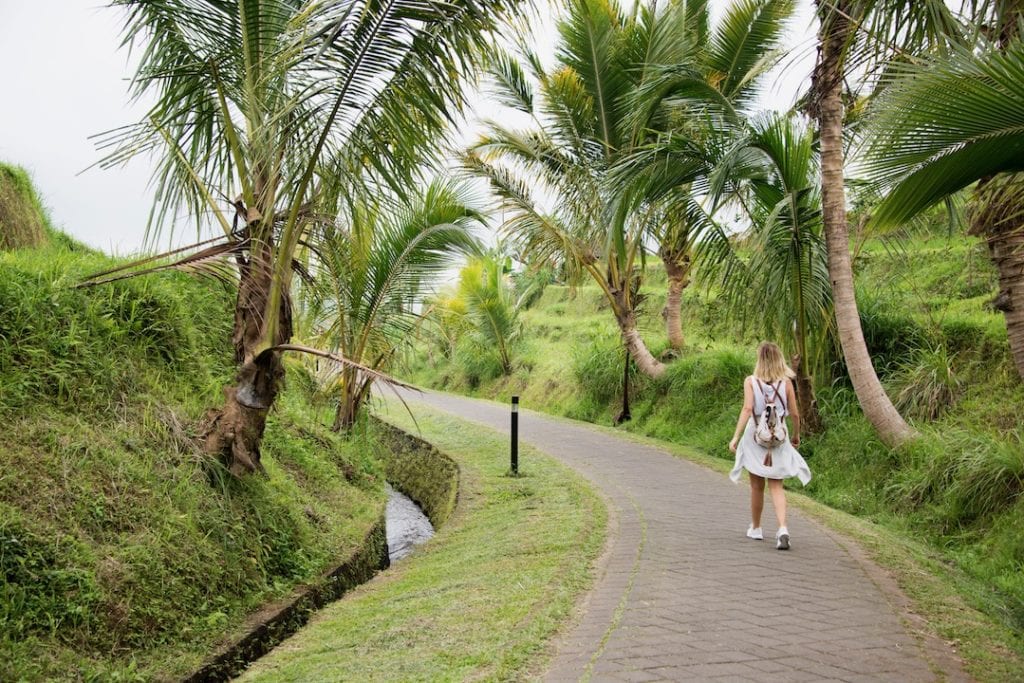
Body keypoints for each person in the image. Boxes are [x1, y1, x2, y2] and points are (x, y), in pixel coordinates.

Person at [728, 341, 811, 550]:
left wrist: (735, 437)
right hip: (778, 437)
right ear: (779, 359)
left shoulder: (750, 381)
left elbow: (747, 409)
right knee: (776, 485)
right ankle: (782, 528)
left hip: (755, 436)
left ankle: (756, 528)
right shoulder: (786, 383)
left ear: (760, 359)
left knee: (757, 486)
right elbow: (795, 414)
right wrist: (796, 435)